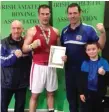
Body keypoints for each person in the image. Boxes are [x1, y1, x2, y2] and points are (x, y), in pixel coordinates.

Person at [61, 3, 106, 112]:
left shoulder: (88, 29)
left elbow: (100, 46)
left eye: (75, 13)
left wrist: (103, 33)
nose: (72, 16)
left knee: (85, 103)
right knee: (71, 101)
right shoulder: (64, 31)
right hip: (69, 73)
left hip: (86, 73)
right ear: (67, 15)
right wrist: (63, 58)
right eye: (70, 13)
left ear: (80, 13)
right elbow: (62, 51)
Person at [22, 4, 60, 112]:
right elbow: (24, 49)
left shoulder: (56, 31)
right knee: (35, 95)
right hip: (38, 66)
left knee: (51, 93)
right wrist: (32, 46)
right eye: (42, 14)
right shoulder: (32, 30)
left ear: (50, 15)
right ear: (38, 15)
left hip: (51, 66)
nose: (45, 16)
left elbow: (59, 49)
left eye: (47, 14)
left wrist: (62, 57)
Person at [0, 20, 32, 112]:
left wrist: (29, 54)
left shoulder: (26, 43)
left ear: (22, 29)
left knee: (19, 109)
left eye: (18, 28)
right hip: (6, 82)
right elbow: (2, 61)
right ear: (11, 29)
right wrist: (14, 56)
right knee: (3, 108)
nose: (16, 31)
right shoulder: (3, 43)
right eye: (14, 28)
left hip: (22, 83)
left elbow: (31, 61)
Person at [79, 41, 109, 112]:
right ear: (86, 51)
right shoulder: (84, 63)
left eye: (93, 49)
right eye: (88, 50)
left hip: (99, 94)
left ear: (98, 49)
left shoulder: (104, 62)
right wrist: (81, 92)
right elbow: (81, 80)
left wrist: (104, 73)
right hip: (87, 93)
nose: (91, 51)